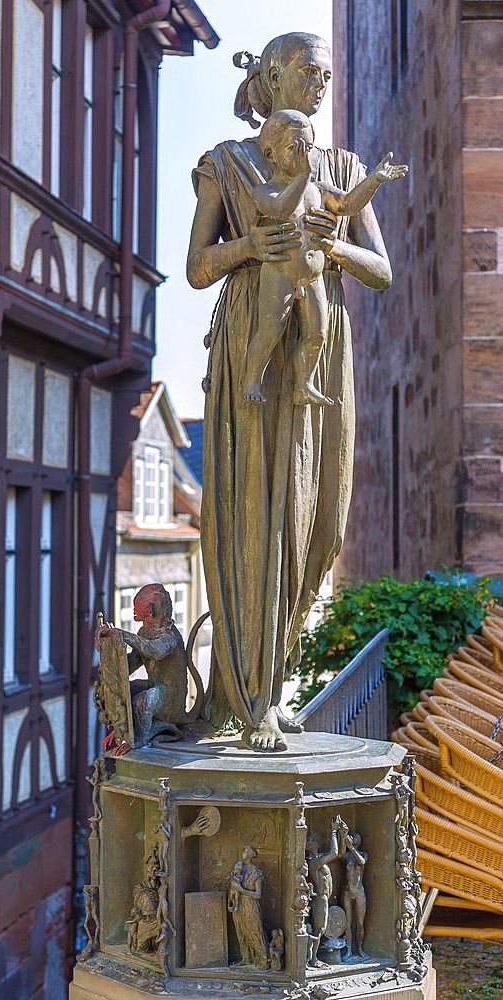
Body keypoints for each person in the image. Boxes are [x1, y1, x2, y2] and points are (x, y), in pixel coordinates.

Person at [187, 32, 398, 750]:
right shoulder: (226, 162)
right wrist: (251, 246)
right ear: (273, 76)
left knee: (318, 524)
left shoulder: (340, 166)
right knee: (256, 520)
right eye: (308, 72)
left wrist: (331, 242)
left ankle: (270, 681)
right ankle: (248, 699)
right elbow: (195, 267)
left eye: (326, 75)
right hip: (254, 336)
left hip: (321, 347)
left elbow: (381, 271)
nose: (320, 83)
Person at [243, 110, 406, 405]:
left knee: (318, 332)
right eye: (295, 148)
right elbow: (280, 210)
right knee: (270, 329)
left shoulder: (317, 190)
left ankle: (303, 382)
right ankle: (252, 379)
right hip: (280, 273)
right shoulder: (265, 191)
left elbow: (347, 204)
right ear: (271, 153)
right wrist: (303, 177)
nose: (303, 156)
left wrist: (374, 181)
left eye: (307, 148)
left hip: (314, 275)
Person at [95, 584, 203, 746]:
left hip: (170, 698)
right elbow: (133, 663)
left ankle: (139, 741)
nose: (133, 610)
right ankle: (122, 728)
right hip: (156, 688)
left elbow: (155, 651)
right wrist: (111, 648)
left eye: (138, 606)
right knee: (124, 692)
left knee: (142, 701)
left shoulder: (170, 636)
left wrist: (122, 635)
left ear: (151, 611)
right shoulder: (144, 633)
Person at [305, 817, 348, 967]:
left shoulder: (319, 858)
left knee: (320, 929)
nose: (313, 841)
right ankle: (313, 958)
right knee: (320, 929)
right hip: (320, 899)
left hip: (325, 898)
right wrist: (334, 831)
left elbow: (340, 853)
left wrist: (343, 835)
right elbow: (334, 852)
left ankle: (313, 956)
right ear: (308, 846)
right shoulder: (314, 861)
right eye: (310, 840)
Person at [227, 844, 269, 967]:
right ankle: (246, 958)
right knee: (241, 932)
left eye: (246, 850)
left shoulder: (256, 872)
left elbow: (258, 894)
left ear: (251, 854)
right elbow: (233, 888)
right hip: (238, 906)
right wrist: (231, 898)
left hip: (250, 905)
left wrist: (241, 890)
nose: (243, 851)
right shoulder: (238, 869)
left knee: (254, 931)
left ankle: (264, 959)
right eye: (243, 849)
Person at [342, 831, 368, 961]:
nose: (353, 840)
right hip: (347, 891)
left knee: (360, 923)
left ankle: (360, 947)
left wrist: (352, 848)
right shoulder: (346, 856)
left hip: (359, 892)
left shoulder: (362, 854)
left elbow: (362, 862)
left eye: (355, 838)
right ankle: (348, 949)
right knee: (348, 923)